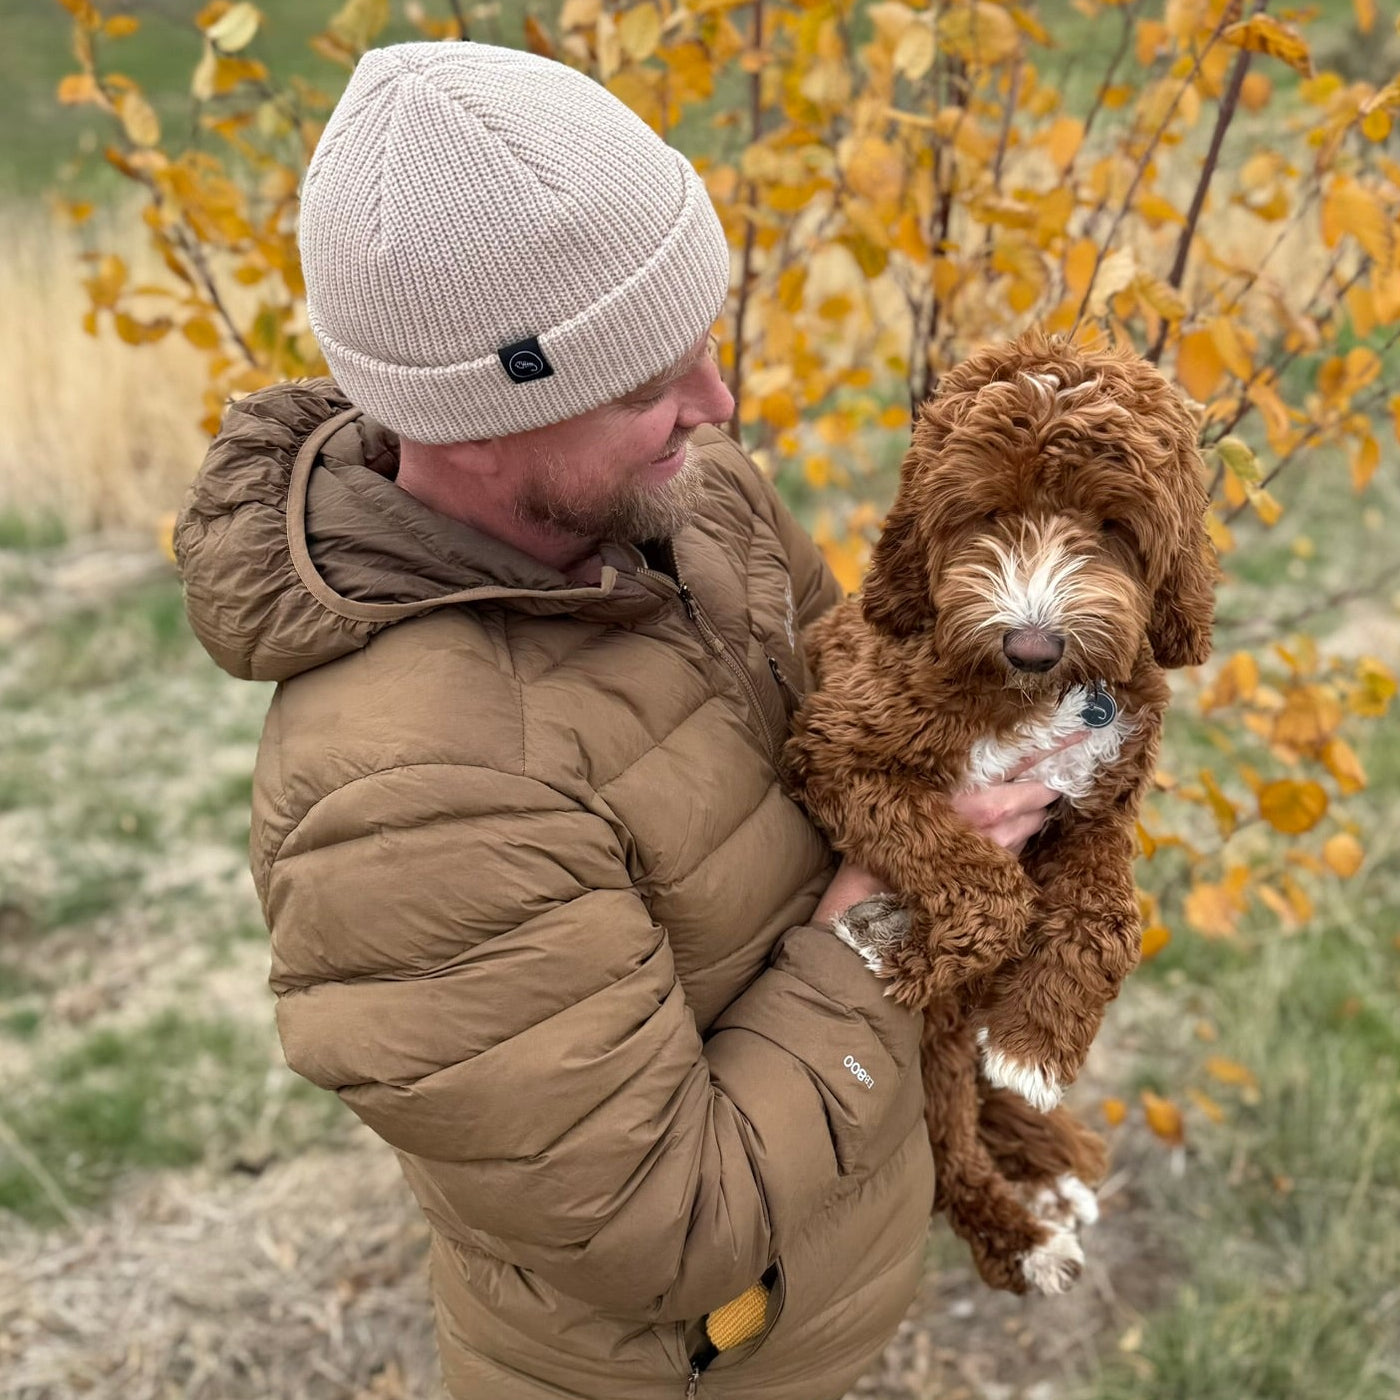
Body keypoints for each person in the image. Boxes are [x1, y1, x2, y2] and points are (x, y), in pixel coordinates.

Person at [174, 40, 1072, 1400]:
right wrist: (903, 899)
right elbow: (665, 1230)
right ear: (473, 423)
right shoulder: (407, 796)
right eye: (649, 384)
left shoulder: (678, 496)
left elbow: (860, 696)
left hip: (819, 1309)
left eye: (698, 346)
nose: (717, 405)